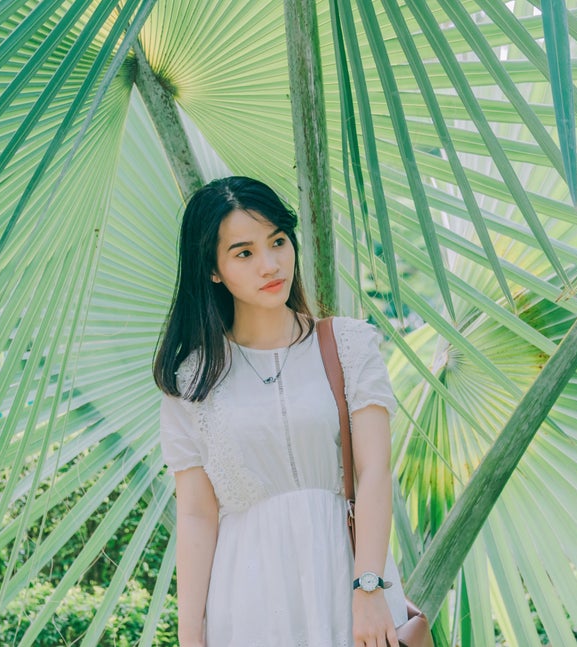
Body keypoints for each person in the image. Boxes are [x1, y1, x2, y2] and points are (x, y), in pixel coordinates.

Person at [153, 176, 408, 646]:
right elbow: (196, 515)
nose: (270, 265)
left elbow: (375, 471)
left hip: (347, 580)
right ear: (213, 269)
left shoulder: (348, 345)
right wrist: (190, 637)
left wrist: (369, 587)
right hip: (249, 594)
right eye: (244, 253)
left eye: (278, 242)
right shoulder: (191, 382)